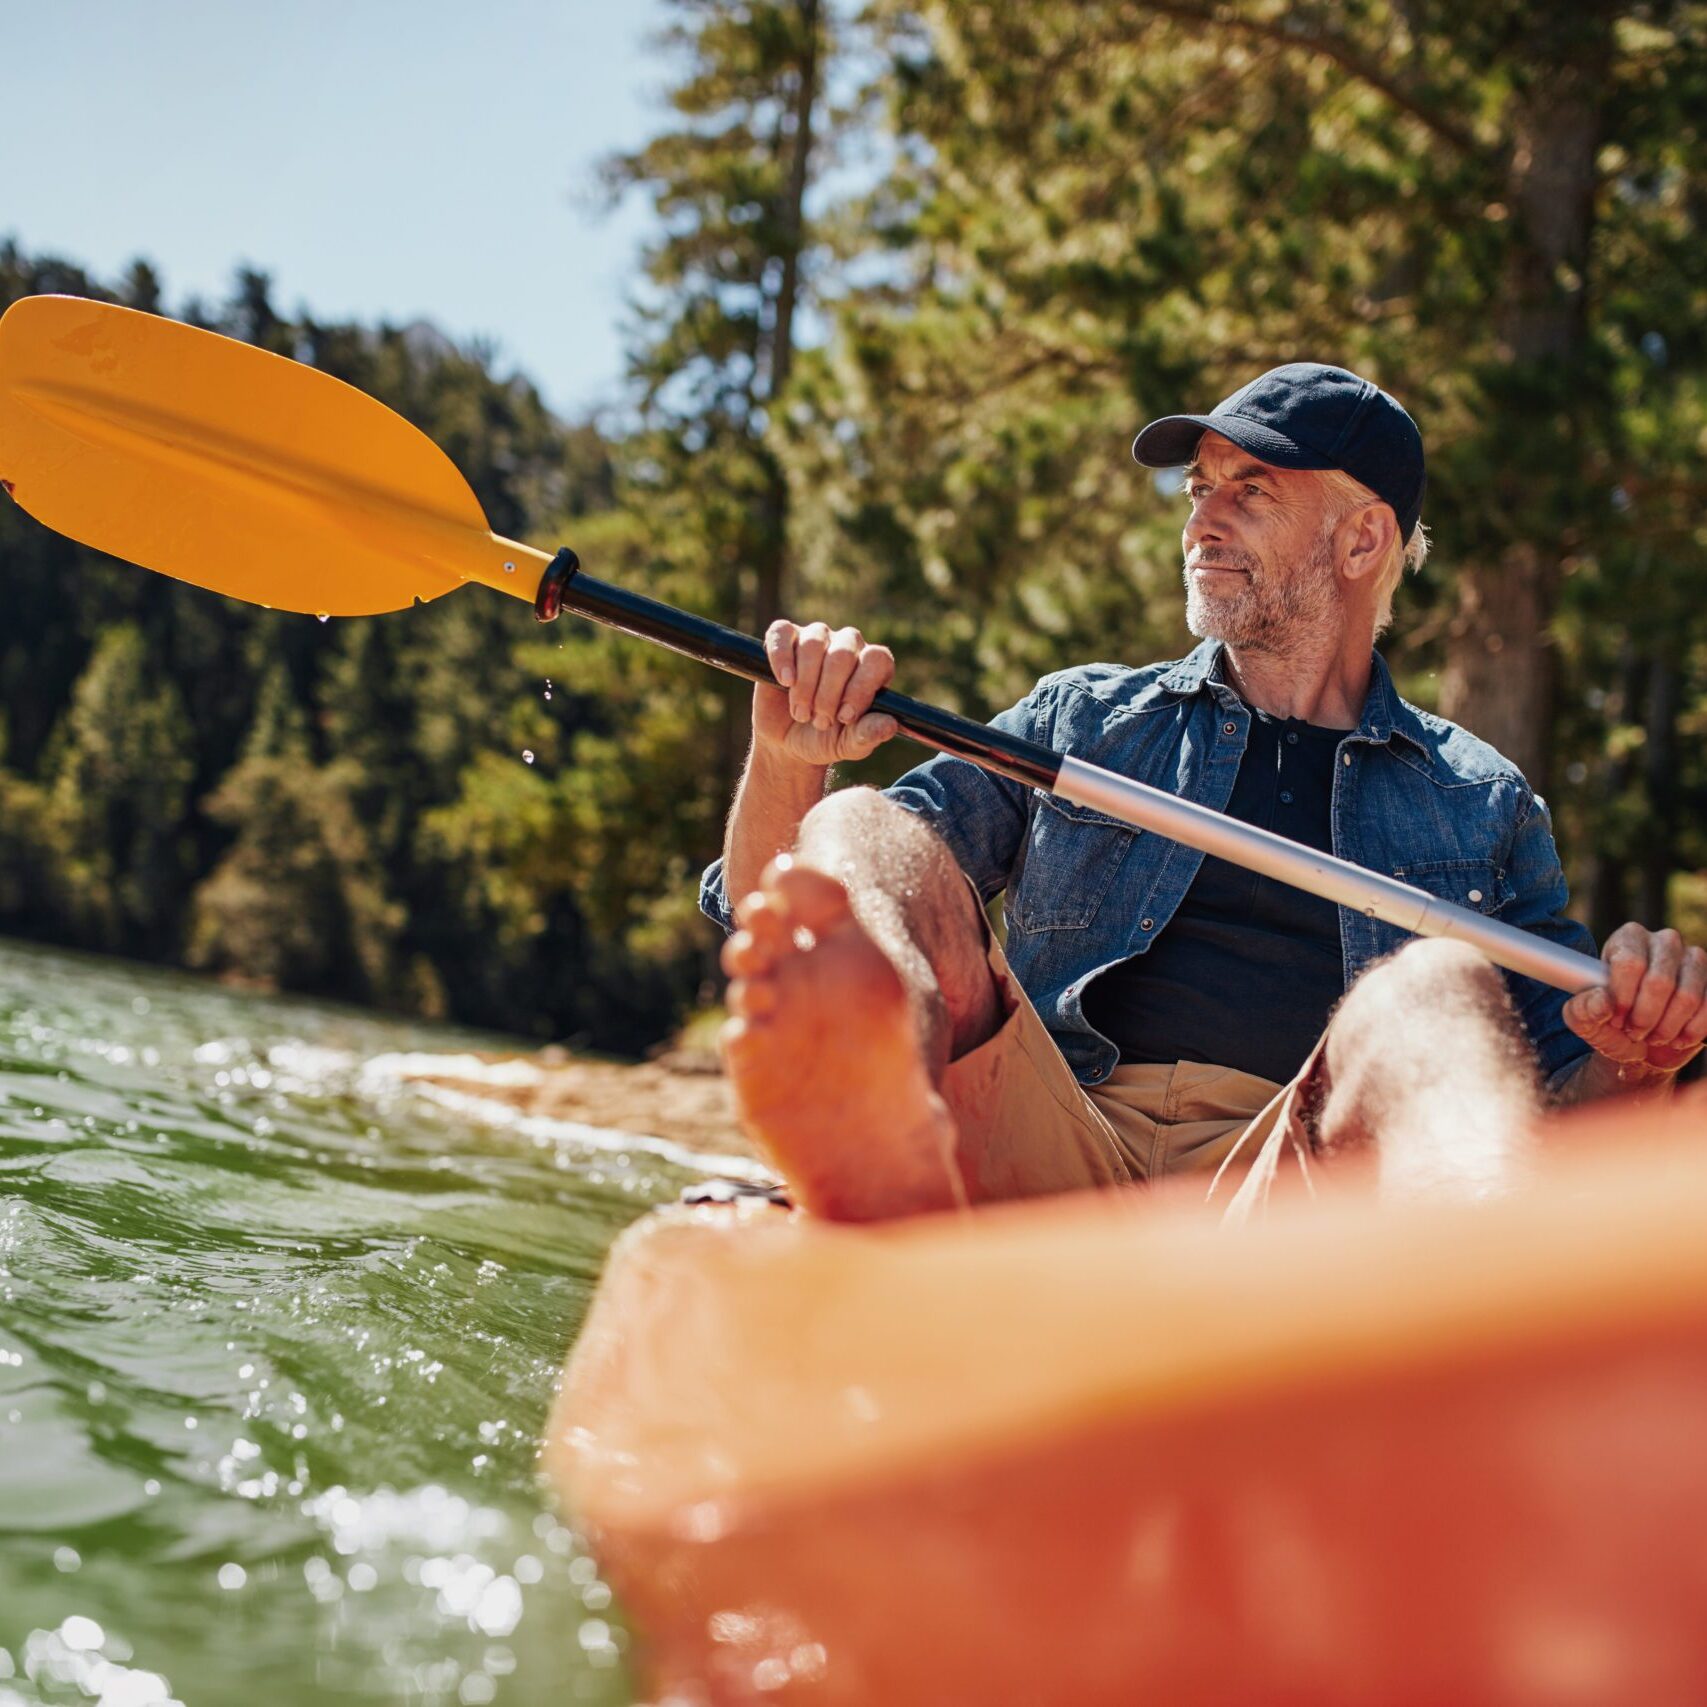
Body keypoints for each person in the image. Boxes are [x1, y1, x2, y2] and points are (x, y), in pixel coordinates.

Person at [697, 364, 1707, 1221]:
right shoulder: (1083, 722)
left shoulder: (1482, 802)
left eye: (1250, 491)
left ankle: (1452, 1324)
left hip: (1286, 1208)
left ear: (1362, 542)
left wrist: (1634, 1059)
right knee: (859, 825)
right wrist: (791, 762)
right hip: (1044, 1147)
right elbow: (769, 908)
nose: (1202, 522)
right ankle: (864, 1131)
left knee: (1434, 992)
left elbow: (1549, 1122)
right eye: (1199, 490)